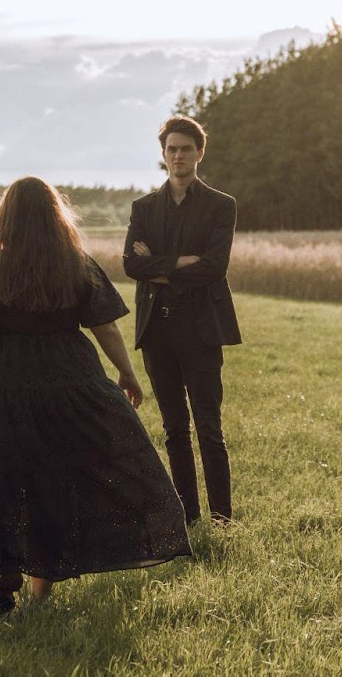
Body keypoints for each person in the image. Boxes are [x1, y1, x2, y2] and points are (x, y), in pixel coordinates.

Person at [0, 176, 190, 613]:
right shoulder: (75, 265)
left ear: (5, 218)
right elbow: (105, 327)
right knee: (56, 481)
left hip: (1, 383)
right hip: (69, 379)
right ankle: (40, 594)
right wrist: (126, 373)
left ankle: (6, 565)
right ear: (56, 218)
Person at [123, 115, 242, 524]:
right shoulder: (143, 208)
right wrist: (182, 261)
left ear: (200, 153)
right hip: (157, 331)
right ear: (163, 154)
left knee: (210, 428)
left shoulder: (221, 205)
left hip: (201, 330)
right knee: (174, 429)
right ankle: (187, 517)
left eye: (186, 149)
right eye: (171, 149)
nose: (178, 156)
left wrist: (157, 264)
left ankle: (222, 518)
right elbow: (130, 265)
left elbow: (214, 267)